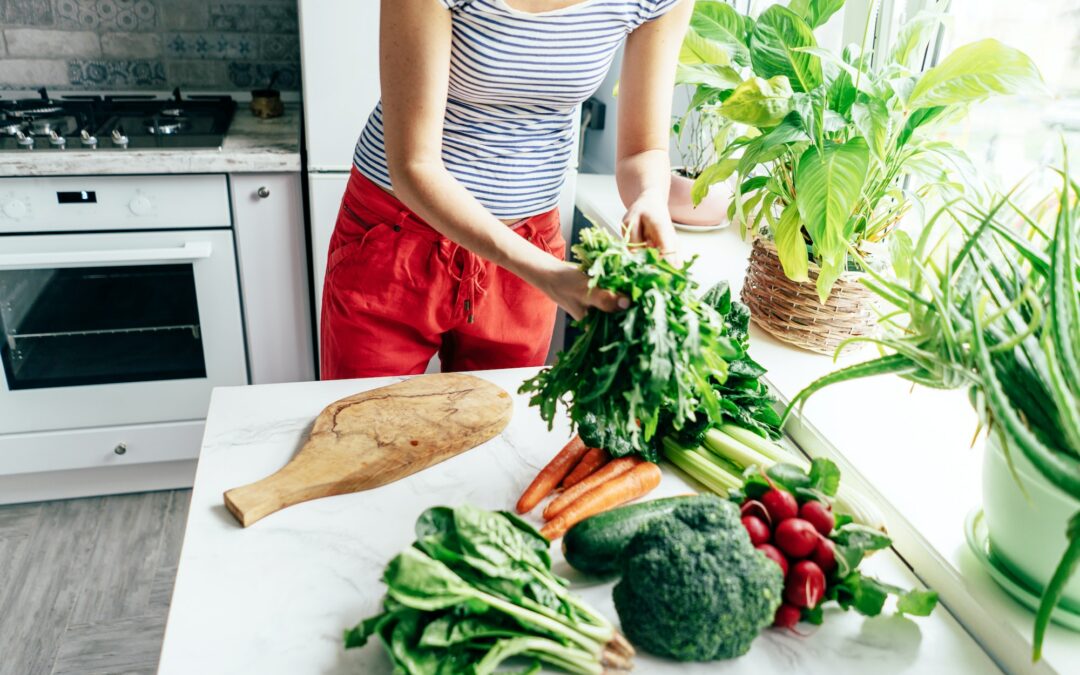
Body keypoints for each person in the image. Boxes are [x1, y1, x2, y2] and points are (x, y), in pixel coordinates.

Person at [321, 0, 691, 378]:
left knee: (499, 426)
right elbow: (415, 165)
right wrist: (548, 273)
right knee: (363, 421)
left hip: (528, 247)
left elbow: (643, 150)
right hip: (399, 237)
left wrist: (649, 197)